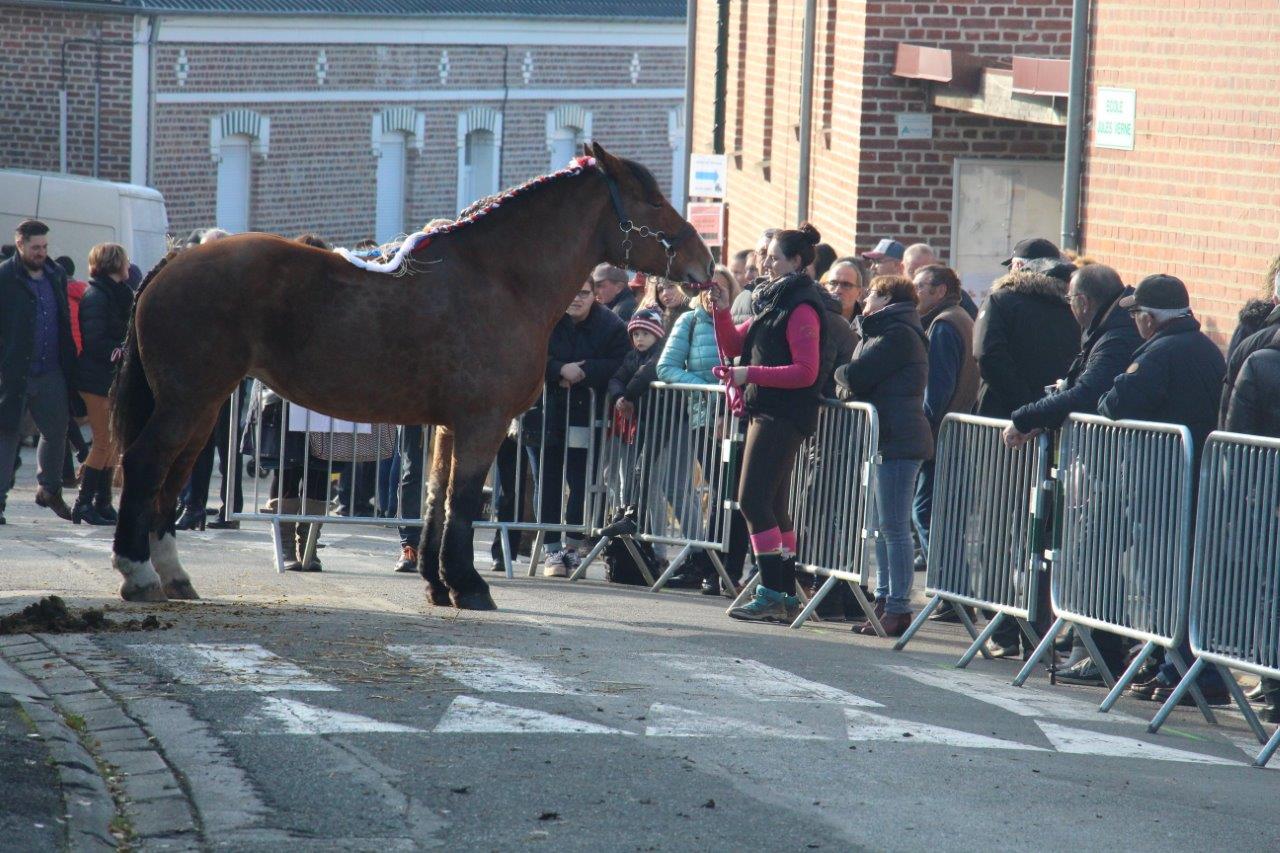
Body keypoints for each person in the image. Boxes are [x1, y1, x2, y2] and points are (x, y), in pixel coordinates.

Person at [1089, 274, 1227, 700]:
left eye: (1136, 315)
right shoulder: (1204, 348)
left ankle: (1184, 672)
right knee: (1182, 580)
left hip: (1161, 482)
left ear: (1148, 318)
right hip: (1192, 477)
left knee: (1164, 581)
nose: (1134, 323)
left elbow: (1115, 403)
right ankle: (1180, 668)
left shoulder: (1159, 352)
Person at [994, 264, 1141, 660]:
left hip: (1120, 467)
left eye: (1071, 302)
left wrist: (1025, 416)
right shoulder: (1110, 330)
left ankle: (1100, 651)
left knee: (1099, 556)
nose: (1070, 309)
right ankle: (1091, 646)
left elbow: (1088, 393)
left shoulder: (1115, 335)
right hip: (1109, 465)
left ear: (1084, 301)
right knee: (1092, 554)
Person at [709, 223, 833, 622]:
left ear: (795, 262)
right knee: (774, 505)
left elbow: (806, 371)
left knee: (751, 500)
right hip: (769, 411)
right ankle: (783, 593)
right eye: (765, 255)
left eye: (774, 257)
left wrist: (752, 375)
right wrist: (722, 307)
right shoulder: (774, 299)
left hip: (784, 414)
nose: (765, 261)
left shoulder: (800, 304)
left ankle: (773, 593)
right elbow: (733, 344)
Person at [834, 275, 932, 636]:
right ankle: (885, 599)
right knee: (881, 528)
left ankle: (898, 607)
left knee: (894, 528)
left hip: (898, 438)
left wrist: (839, 372)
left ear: (887, 297)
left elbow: (855, 375)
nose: (866, 299)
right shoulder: (879, 330)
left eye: (872, 293)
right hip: (886, 438)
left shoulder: (897, 333)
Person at [657, 266, 750, 595]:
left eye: (721, 289)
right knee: (722, 492)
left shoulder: (743, 321)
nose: (713, 296)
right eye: (709, 289)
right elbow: (666, 367)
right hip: (704, 420)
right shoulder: (690, 321)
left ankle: (725, 569)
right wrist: (710, 389)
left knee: (737, 497)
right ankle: (711, 566)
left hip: (742, 420)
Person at [538, 280, 629, 576]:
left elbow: (621, 363)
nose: (575, 299)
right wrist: (558, 369)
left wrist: (584, 372)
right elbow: (530, 353)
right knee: (548, 480)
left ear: (595, 296)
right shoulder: (548, 317)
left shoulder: (611, 324)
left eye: (583, 293)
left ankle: (573, 548)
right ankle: (551, 550)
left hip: (588, 415)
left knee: (582, 482)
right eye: (570, 291)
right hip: (548, 413)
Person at [0, 220, 82, 524]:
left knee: (57, 430)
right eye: (36, 247)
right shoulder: (5, 277)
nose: (41, 252)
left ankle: (49, 489)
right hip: (14, 372)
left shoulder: (55, 274)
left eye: (45, 247)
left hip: (51, 370)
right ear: (20, 244)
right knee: (7, 435)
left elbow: (62, 319)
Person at [1224, 325, 1280, 724]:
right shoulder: (1259, 363)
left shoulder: (1259, 363)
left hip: (1266, 497)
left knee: (1271, 588)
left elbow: (1237, 437)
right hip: (1266, 496)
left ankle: (1275, 687)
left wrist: (1242, 495)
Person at [912, 264, 978, 576]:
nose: (915, 294)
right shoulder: (960, 319)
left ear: (939, 291)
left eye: (920, 287)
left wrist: (921, 425)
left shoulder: (944, 325)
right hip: (953, 433)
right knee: (941, 515)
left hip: (942, 436)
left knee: (926, 512)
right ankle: (954, 589)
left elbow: (936, 390)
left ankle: (950, 589)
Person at [68, 243, 134, 525]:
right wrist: (119, 350)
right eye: (125, 260)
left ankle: (103, 502)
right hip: (96, 379)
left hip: (108, 378)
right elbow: (95, 341)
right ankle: (84, 503)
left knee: (110, 443)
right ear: (115, 263)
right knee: (103, 443)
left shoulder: (120, 294)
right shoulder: (97, 295)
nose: (129, 265)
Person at [973, 269, 1080, 419]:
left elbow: (986, 353)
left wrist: (1023, 403)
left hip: (1001, 414)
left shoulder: (1001, 300)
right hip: (1054, 411)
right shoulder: (1070, 305)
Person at [905, 243, 977, 319]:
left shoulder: (947, 319)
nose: (917, 275)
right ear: (903, 267)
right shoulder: (900, 297)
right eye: (911, 271)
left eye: (928, 269)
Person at [731, 228, 779, 323]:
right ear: (755, 258)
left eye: (774, 256)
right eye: (763, 253)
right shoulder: (741, 300)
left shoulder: (797, 297)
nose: (767, 262)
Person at [825, 259, 867, 328]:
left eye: (846, 285)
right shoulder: (814, 319)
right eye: (833, 283)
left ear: (859, 292)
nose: (838, 290)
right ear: (825, 286)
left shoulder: (866, 326)